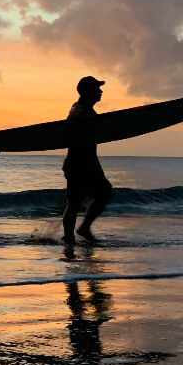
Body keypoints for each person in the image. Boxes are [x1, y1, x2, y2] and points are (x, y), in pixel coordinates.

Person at [61, 75, 113, 244]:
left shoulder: (90, 111)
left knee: (104, 194)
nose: (101, 91)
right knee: (75, 201)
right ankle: (70, 236)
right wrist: (78, 120)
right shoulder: (79, 107)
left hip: (89, 163)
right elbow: (72, 118)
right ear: (88, 91)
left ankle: (81, 229)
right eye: (97, 88)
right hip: (78, 163)